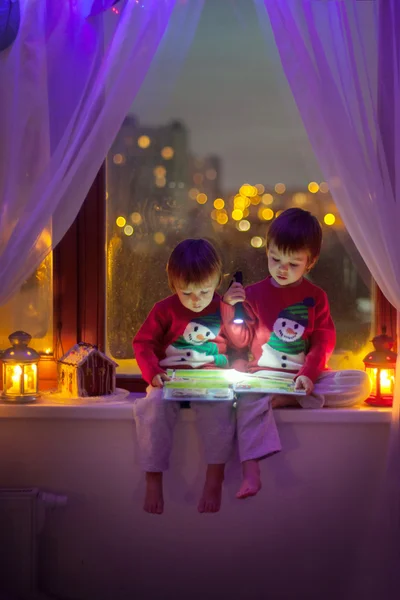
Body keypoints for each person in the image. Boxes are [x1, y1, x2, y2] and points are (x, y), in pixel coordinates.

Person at [222, 208, 371, 486]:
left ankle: (286, 399)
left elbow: (323, 343)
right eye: (275, 259)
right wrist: (229, 307)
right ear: (267, 250)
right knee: (243, 394)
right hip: (264, 377)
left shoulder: (316, 298)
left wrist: (308, 375)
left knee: (360, 382)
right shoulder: (252, 294)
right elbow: (239, 340)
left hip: (304, 379)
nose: (282, 268)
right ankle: (251, 467)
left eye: (293, 264)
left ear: (310, 262)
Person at [133, 238, 236, 515]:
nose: (196, 300)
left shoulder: (223, 308)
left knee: (222, 409)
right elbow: (142, 344)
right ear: (173, 286)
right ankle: (153, 477)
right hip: (171, 378)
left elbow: (241, 342)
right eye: (186, 292)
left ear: (216, 282)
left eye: (204, 291)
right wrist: (153, 373)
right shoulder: (164, 309)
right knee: (152, 409)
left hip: (211, 377)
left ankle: (215, 476)